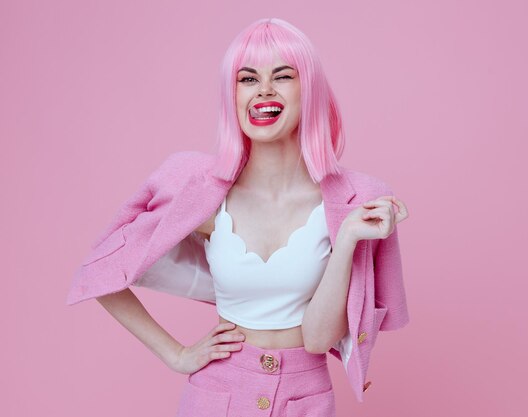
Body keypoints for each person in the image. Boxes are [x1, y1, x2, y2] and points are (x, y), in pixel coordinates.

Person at [66, 17, 409, 416]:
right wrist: (176, 355)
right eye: (247, 79)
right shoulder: (196, 190)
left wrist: (348, 241)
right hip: (216, 393)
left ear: (309, 89)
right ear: (232, 95)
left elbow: (318, 340)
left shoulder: (354, 201)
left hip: (307, 395)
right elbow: (103, 273)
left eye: (282, 76)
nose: (263, 90)